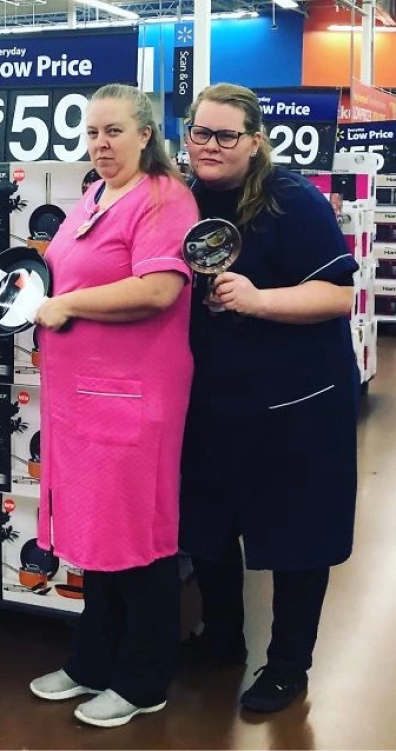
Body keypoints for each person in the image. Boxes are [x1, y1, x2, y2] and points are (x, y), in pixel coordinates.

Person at [179, 83, 359, 713]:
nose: (210, 145)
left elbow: (339, 296)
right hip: (213, 401)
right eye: (200, 132)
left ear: (256, 141)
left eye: (226, 135)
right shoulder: (183, 198)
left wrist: (258, 300)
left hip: (298, 405)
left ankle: (287, 666)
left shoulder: (293, 201)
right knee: (209, 525)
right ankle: (222, 637)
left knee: (297, 534)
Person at [28, 84, 199, 728]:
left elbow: (158, 289)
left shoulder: (164, 197)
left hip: (132, 399)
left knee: (141, 540)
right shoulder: (96, 194)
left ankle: (142, 680)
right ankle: (91, 662)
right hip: (81, 402)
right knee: (100, 536)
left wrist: (67, 305)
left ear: (145, 134)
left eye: (114, 131)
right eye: (92, 133)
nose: (100, 144)